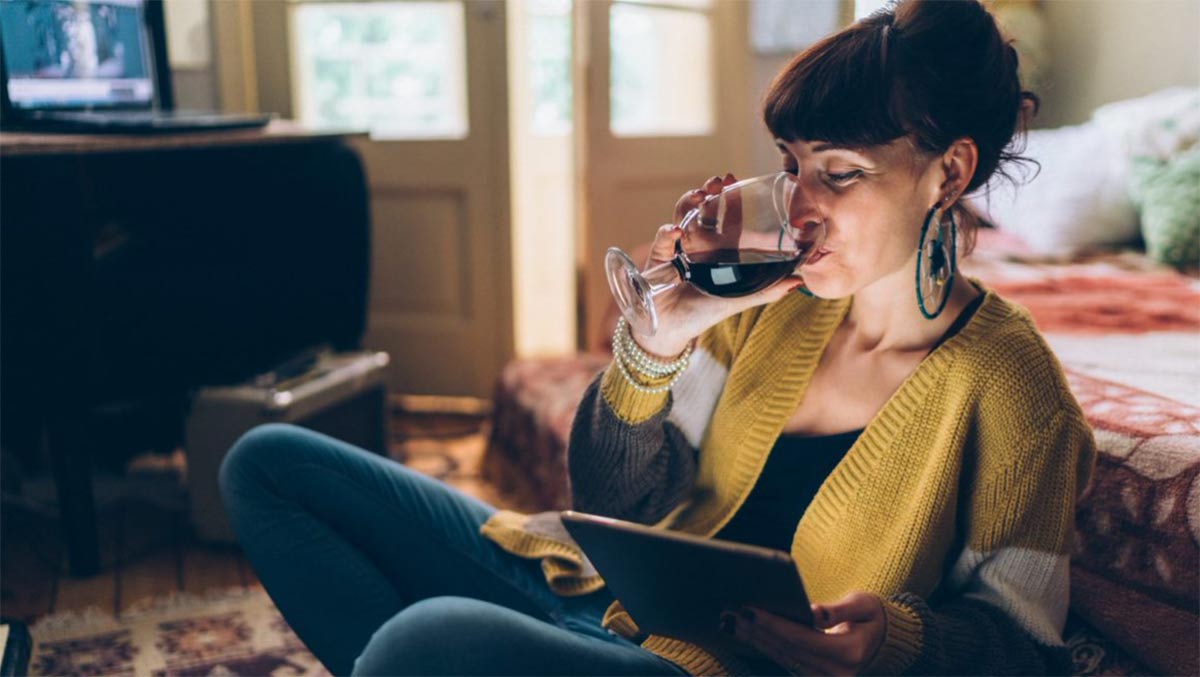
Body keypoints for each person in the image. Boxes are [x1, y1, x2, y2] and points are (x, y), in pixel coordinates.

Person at [219, 1, 1095, 674]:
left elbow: (1024, 644)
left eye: (839, 174)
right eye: (791, 166)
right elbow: (613, 502)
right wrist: (656, 346)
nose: (796, 206)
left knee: (427, 640)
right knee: (268, 464)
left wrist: (897, 643)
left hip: (697, 666)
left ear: (950, 171)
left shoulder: (1011, 389)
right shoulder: (767, 305)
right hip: (601, 602)